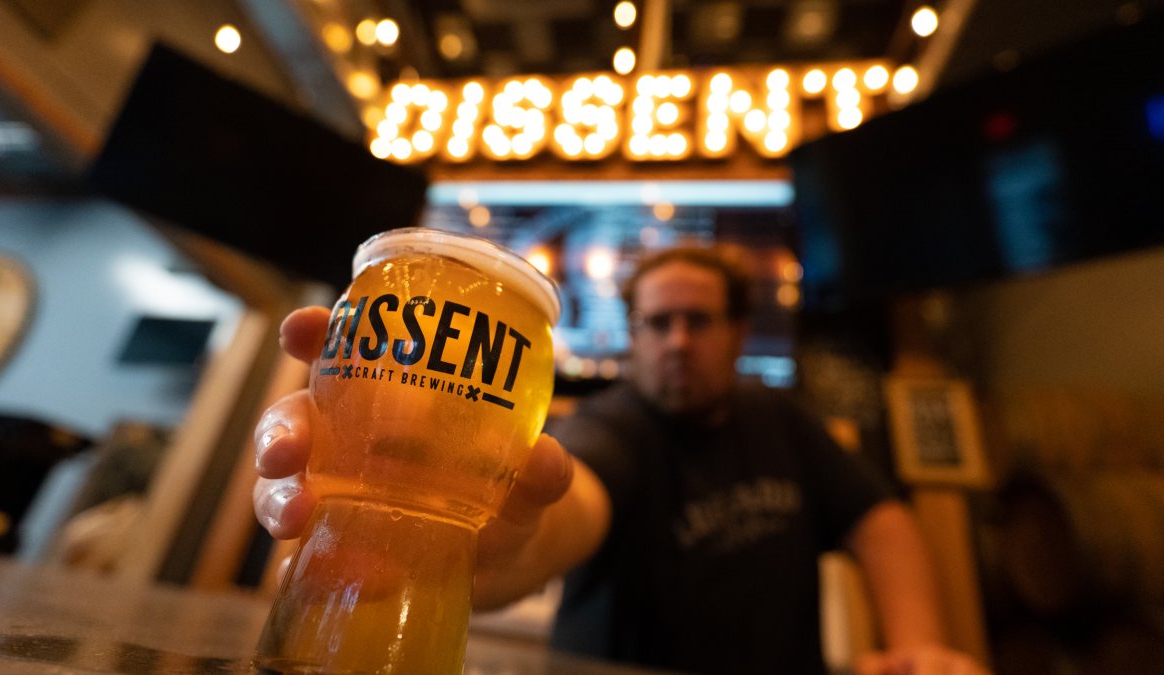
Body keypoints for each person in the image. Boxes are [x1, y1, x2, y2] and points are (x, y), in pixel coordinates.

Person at [253, 244, 990, 675]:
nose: (675, 340)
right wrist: (496, 541)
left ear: (738, 332)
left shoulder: (783, 420)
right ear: (632, 337)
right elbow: (566, 505)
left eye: (697, 320)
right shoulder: (615, 426)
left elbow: (880, 518)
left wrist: (918, 644)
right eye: (655, 322)